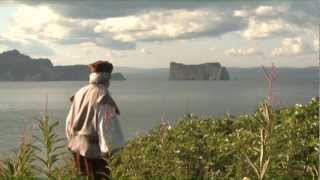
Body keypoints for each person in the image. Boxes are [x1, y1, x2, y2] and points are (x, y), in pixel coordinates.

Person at [65, 60, 125, 179]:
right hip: (95, 155)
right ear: (108, 77)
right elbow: (106, 128)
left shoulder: (80, 92)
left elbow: (69, 122)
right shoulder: (103, 96)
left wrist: (73, 140)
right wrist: (111, 155)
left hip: (77, 149)